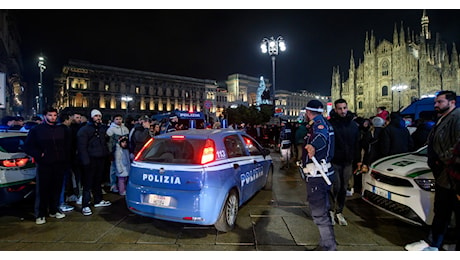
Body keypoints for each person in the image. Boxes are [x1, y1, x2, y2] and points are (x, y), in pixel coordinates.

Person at [405, 90, 460, 251]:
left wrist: (441, 159)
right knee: (442, 211)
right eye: (436, 102)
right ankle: (434, 243)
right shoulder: (444, 118)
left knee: (446, 211)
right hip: (445, 174)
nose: (435, 105)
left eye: (440, 102)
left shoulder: (457, 118)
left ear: (452, 102)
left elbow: (457, 145)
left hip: (451, 175)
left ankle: (436, 243)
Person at [23, 107, 71, 224]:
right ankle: (40, 214)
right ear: (45, 116)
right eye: (50, 115)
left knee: (57, 188)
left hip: (59, 163)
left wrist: (66, 158)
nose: (53, 118)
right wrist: (40, 154)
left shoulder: (62, 129)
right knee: (43, 189)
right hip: (45, 164)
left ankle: (54, 210)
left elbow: (68, 145)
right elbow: (28, 146)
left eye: (55, 115)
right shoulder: (37, 130)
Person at [300, 99, 336, 251]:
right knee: (323, 211)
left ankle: (328, 247)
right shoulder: (325, 123)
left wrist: (313, 146)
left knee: (319, 214)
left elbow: (321, 138)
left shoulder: (319, 125)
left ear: (308, 112)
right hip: (323, 172)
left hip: (318, 174)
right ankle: (325, 243)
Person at [328, 98, 360, 226]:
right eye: (340, 108)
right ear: (335, 109)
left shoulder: (353, 125)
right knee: (335, 186)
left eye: (344, 108)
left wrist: (357, 160)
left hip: (347, 161)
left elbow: (357, 143)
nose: (343, 111)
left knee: (343, 187)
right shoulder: (331, 124)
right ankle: (330, 210)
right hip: (334, 161)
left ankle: (339, 211)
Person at [77, 109, 112, 216]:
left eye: (99, 116)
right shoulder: (84, 130)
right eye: (96, 116)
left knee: (98, 181)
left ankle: (98, 200)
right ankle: (85, 205)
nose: (98, 118)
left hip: (100, 158)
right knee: (87, 183)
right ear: (92, 117)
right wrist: (85, 161)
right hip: (90, 160)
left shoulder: (101, 129)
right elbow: (82, 147)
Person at [106, 114, 130, 193]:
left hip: (124, 150)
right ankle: (113, 185)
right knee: (113, 168)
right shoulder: (111, 130)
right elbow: (109, 142)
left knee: (123, 166)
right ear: (114, 120)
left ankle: (122, 186)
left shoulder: (125, 129)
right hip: (115, 151)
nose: (119, 120)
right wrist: (110, 152)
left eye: (120, 119)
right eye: (117, 119)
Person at [57, 112, 75, 212]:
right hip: (64, 160)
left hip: (58, 160)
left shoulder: (56, 129)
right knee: (62, 182)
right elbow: (69, 146)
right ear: (67, 119)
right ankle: (61, 203)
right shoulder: (66, 130)